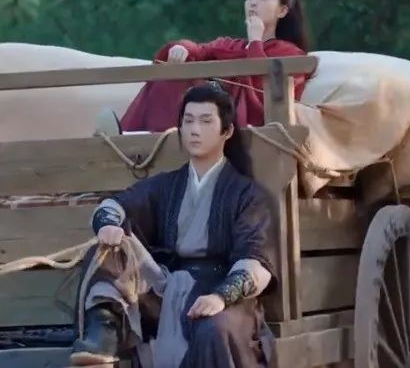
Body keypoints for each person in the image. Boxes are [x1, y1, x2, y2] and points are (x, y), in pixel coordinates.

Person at [70, 83, 276, 367]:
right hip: (167, 288)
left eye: (206, 121)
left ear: (227, 131)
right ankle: (103, 335)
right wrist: (108, 225)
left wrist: (220, 297)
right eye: (188, 121)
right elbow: (114, 205)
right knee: (110, 248)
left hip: (222, 290)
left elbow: (255, 262)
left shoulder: (247, 194)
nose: (194, 130)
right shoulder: (166, 185)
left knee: (213, 329)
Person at [119, 0, 312, 132]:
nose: (253, 2)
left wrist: (255, 41)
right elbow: (200, 50)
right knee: (168, 77)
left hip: (238, 124)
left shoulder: (290, 53)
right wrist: (182, 48)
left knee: (193, 93)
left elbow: (265, 96)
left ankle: (146, 138)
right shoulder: (231, 45)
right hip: (204, 117)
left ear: (282, 11)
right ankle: (132, 137)